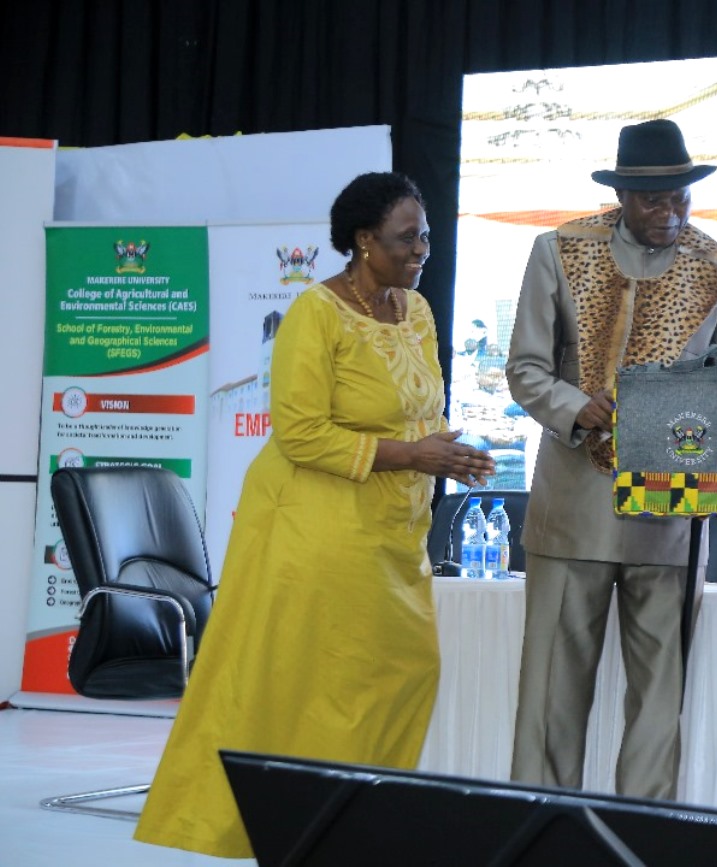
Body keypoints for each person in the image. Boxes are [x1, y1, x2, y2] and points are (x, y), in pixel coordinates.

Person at [134, 172, 496, 858]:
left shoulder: (414, 309)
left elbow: (421, 408)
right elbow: (300, 432)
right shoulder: (316, 312)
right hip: (315, 525)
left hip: (393, 530)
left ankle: (361, 819)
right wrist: (414, 453)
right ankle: (292, 826)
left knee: (404, 672)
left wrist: (447, 450)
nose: (423, 247)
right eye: (407, 236)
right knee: (321, 681)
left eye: (425, 233)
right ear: (363, 241)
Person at [506, 118, 717, 799]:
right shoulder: (559, 250)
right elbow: (524, 367)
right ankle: (539, 838)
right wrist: (573, 407)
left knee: (657, 712)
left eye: (680, 199)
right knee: (550, 705)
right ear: (623, 195)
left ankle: (641, 843)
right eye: (654, 200)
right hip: (572, 513)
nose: (670, 213)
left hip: (671, 522)